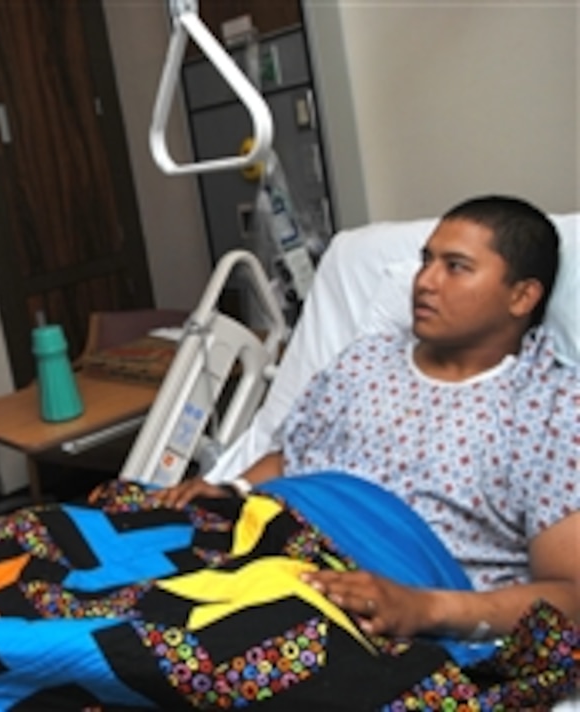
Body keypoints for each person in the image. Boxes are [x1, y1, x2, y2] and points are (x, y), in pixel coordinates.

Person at [154, 195, 580, 643]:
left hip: (372, 611)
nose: (425, 282)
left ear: (522, 296)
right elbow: (295, 458)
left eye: (455, 267)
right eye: (425, 261)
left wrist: (424, 608)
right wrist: (229, 491)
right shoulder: (365, 360)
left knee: (189, 647)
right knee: (110, 537)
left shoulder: (553, 409)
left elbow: (570, 597)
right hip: (269, 549)